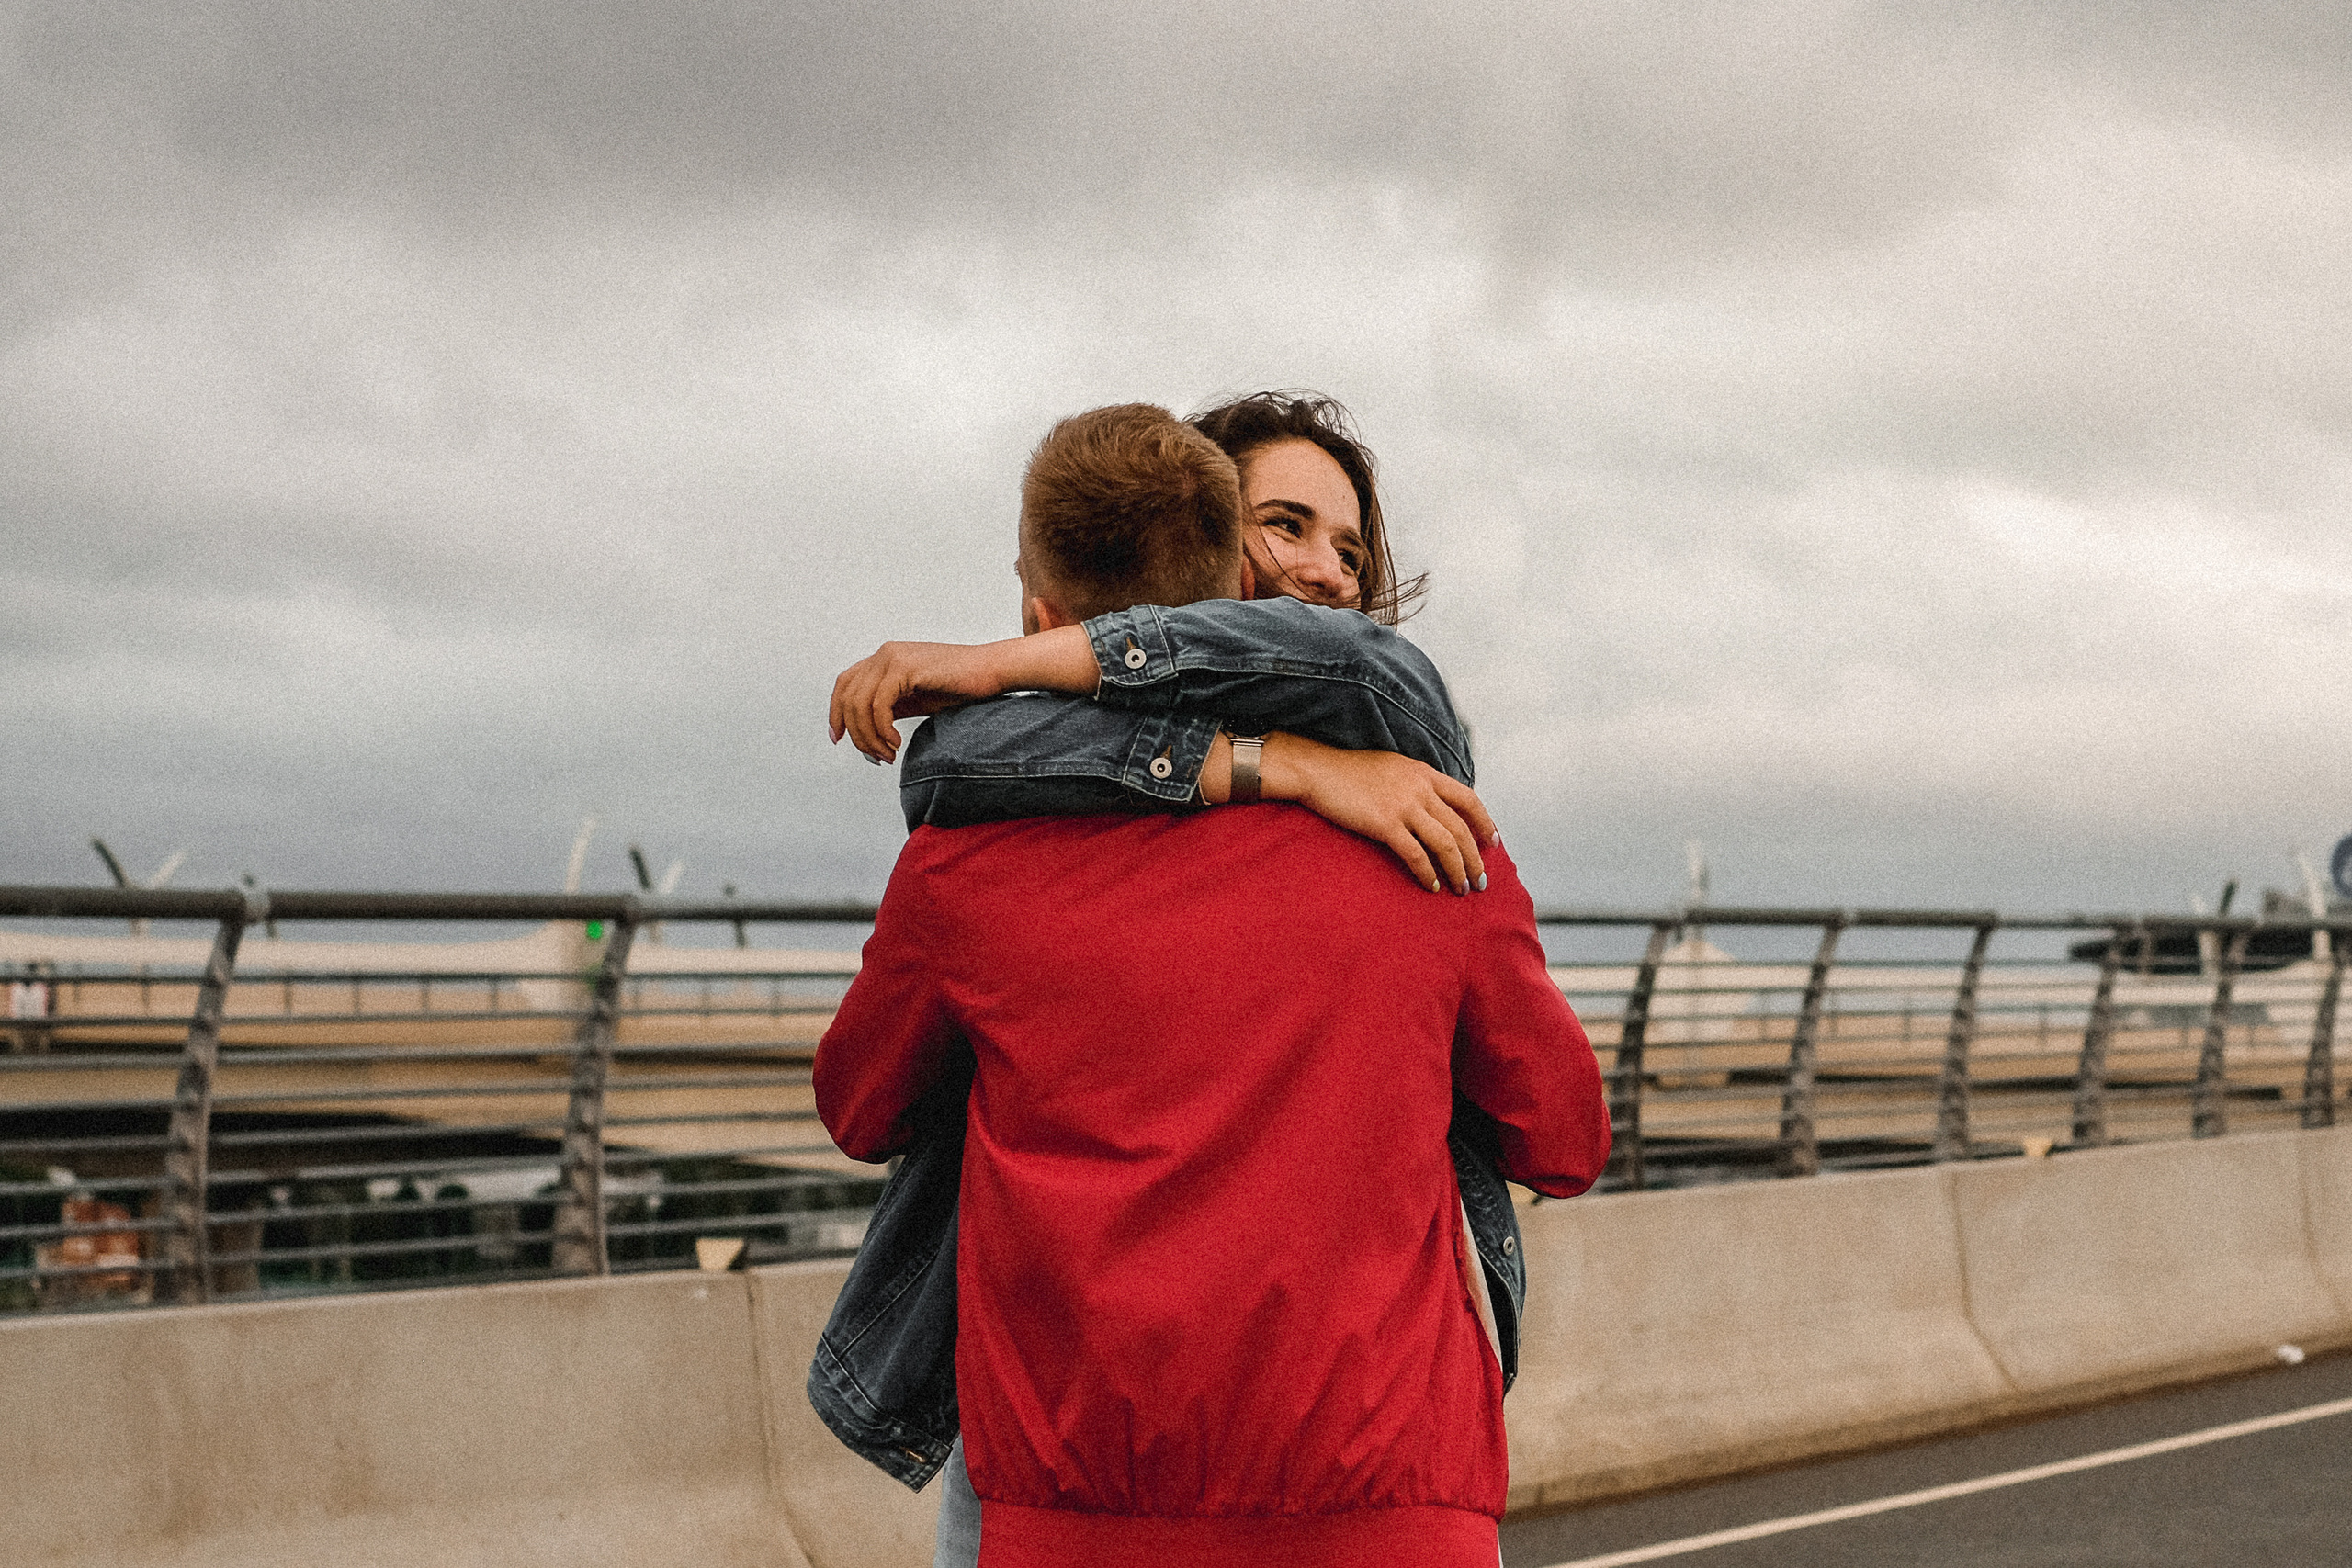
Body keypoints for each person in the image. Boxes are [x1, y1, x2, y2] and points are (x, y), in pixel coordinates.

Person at [814, 402, 1607, 1567]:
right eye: (1281, 526)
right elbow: (1564, 1139)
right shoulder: (1439, 847)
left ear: (1052, 607)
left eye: (1352, 551)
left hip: (1072, 1499)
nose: (1323, 577)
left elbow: (860, 1108)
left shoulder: (967, 854)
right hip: (1383, 1502)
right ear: (1213, 564)